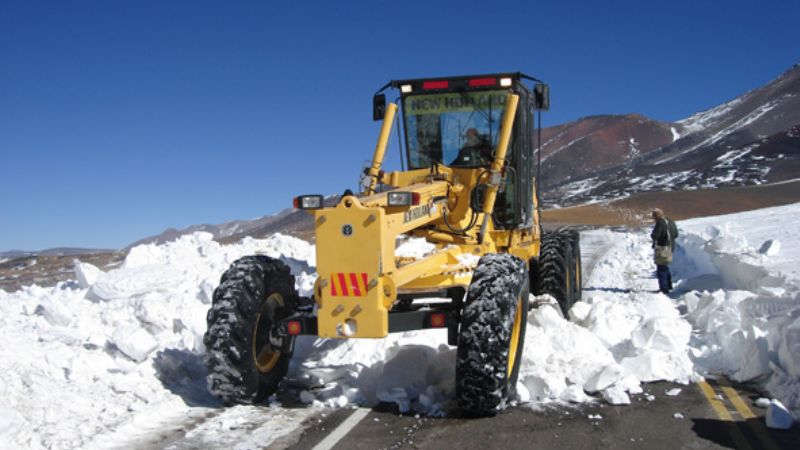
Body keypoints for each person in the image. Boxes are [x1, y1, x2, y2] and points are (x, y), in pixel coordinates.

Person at [650, 208, 678, 294]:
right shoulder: (670, 221)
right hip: (670, 247)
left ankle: (664, 289)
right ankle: (669, 286)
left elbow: (655, 236)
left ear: (656, 216)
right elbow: (676, 234)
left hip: (663, 248)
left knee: (661, 268)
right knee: (665, 267)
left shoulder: (660, 223)